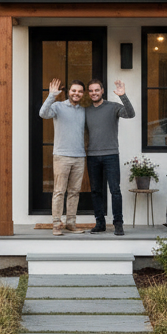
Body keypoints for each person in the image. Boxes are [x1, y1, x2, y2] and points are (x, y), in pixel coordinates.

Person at [84, 79, 135, 236]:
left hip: (111, 154)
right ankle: (100, 223)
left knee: (115, 190)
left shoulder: (113, 107)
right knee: (96, 191)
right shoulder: (85, 111)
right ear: (89, 93)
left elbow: (130, 114)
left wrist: (123, 95)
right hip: (92, 155)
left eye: (96, 90)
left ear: (102, 90)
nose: (94, 93)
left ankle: (118, 223)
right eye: (91, 91)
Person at [38, 78, 87, 235]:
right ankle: (56, 224)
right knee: (59, 191)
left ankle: (71, 223)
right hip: (61, 156)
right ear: (69, 92)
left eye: (79, 91)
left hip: (79, 156)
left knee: (74, 191)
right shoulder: (57, 106)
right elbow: (43, 114)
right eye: (74, 90)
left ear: (83, 94)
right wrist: (51, 95)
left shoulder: (84, 110)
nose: (76, 93)